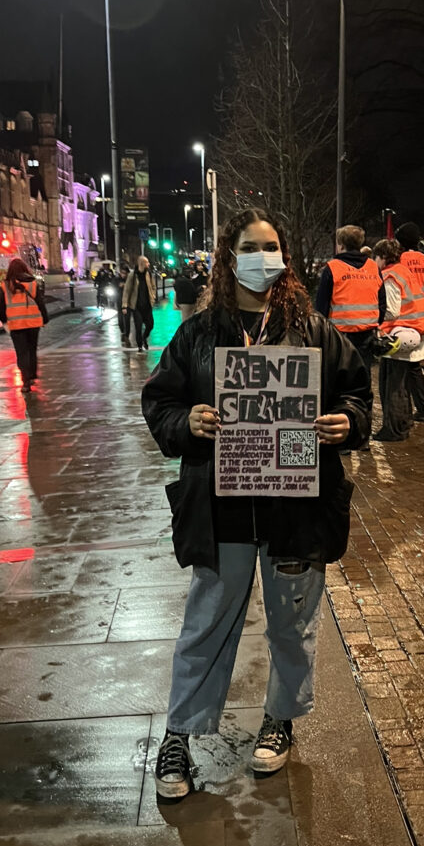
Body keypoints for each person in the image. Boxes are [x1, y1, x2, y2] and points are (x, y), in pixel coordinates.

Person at [141, 207, 371, 801]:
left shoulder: (315, 331)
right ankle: (179, 734)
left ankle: (280, 718)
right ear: (229, 254)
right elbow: (159, 403)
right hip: (222, 509)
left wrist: (348, 421)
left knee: (292, 625)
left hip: (296, 507)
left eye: (272, 246)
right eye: (251, 246)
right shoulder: (198, 333)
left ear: (285, 257)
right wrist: (185, 421)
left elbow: (357, 393)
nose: (262, 257)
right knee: (206, 623)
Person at [372, 238, 424, 441]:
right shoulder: (403, 272)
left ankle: (394, 429)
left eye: (376, 257)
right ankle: (403, 423)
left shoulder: (390, 276)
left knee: (392, 385)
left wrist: (373, 313)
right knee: (400, 383)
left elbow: (391, 310)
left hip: (398, 334)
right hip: (411, 331)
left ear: (383, 257)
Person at [315, 224, 385, 380]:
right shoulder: (373, 267)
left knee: (338, 376)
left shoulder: (332, 268)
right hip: (366, 333)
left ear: (340, 245)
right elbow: (382, 303)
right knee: (362, 376)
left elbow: (321, 305)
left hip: (339, 333)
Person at [390, 222, 424, 421]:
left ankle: (417, 410)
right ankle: (419, 409)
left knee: (408, 367)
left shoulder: (397, 260)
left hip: (402, 317)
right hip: (422, 316)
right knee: (413, 365)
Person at [0, 257, 49, 394]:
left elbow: (2, 306)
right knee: (32, 350)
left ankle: (25, 383)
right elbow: (40, 302)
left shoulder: (6, 285)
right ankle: (32, 376)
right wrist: (45, 318)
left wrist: (4, 320)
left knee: (22, 353)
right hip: (33, 322)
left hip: (16, 324)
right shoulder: (32, 283)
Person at [123, 255, 156, 352]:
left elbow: (153, 287)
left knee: (150, 325)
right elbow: (127, 290)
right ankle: (140, 346)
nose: (149, 264)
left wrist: (153, 297)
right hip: (136, 306)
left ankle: (144, 337)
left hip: (147, 305)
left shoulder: (148, 274)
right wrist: (124, 305)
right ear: (141, 264)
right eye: (147, 262)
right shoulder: (132, 275)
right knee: (138, 326)